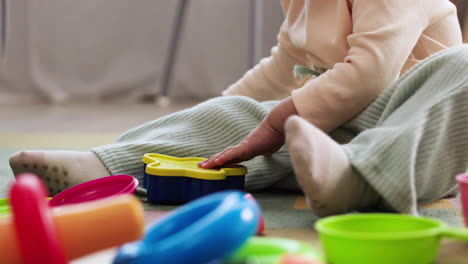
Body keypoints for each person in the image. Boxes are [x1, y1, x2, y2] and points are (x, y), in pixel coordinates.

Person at [10, 0, 466, 216]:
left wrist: (277, 118)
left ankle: (359, 180)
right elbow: (281, 68)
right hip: (329, 129)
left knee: (462, 68)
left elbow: (371, 71)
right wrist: (214, 116)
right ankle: (110, 165)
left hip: (413, 128)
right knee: (248, 117)